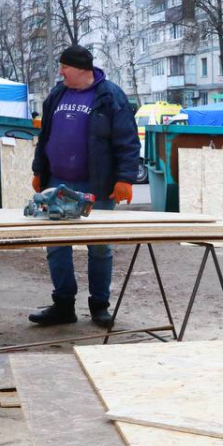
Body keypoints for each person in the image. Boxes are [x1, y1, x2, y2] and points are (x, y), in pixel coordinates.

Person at [29, 45, 139, 327]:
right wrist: (39, 170)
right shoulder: (57, 94)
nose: (60, 71)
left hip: (96, 184)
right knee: (56, 245)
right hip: (58, 182)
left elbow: (127, 140)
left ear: (81, 69)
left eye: (64, 66)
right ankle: (64, 305)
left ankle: (99, 306)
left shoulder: (110, 95)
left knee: (99, 247)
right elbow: (45, 136)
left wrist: (125, 178)